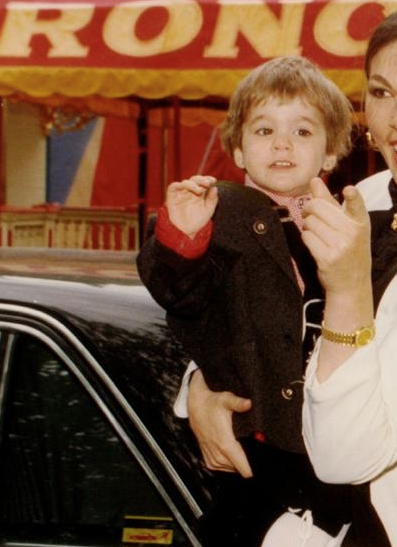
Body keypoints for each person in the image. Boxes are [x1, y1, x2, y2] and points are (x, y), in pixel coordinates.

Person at [183, 4, 397, 546]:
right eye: (383, 92)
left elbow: (348, 454)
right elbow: (253, 298)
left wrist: (347, 291)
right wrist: (202, 384)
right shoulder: (363, 198)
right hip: (278, 513)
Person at [136, 55, 354, 547]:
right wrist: (182, 238)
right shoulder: (220, 213)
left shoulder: (346, 223)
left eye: (302, 131)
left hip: (330, 443)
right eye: (263, 131)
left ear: (331, 151)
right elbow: (179, 295)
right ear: (236, 147)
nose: (281, 143)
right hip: (257, 445)